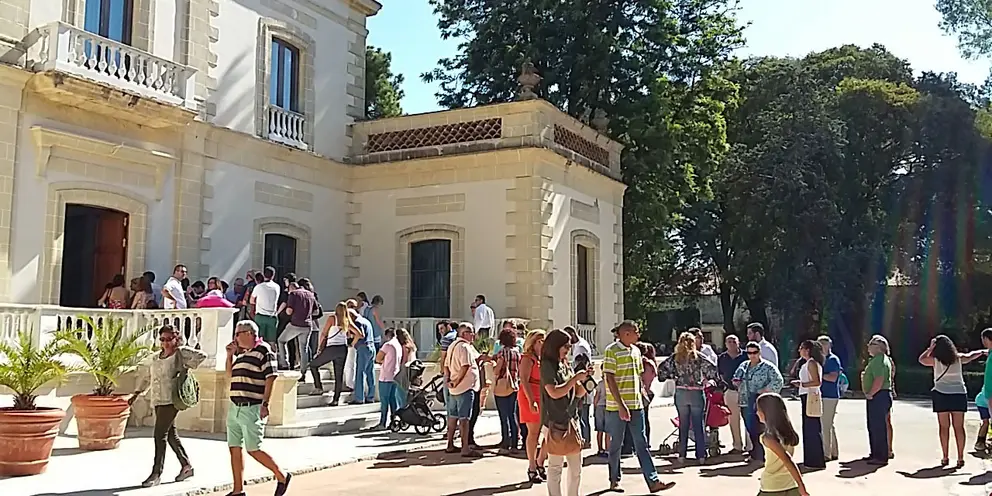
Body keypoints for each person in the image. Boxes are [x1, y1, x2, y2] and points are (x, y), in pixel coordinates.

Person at [603, 321, 675, 492]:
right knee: (616, 444)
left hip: (636, 405)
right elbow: (610, 378)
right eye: (636, 332)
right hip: (617, 407)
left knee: (641, 443)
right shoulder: (611, 351)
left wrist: (643, 394)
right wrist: (621, 405)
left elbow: (638, 376)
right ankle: (614, 479)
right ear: (626, 333)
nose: (639, 335)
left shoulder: (636, 351)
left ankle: (653, 481)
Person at [131, 324, 206, 487]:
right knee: (170, 434)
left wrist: (185, 367)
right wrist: (137, 393)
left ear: (175, 339)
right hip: (158, 399)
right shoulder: (157, 358)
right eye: (163, 339)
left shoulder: (180, 353)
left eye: (169, 339)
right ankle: (186, 465)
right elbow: (148, 377)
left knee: (159, 435)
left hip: (172, 400)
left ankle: (156, 473)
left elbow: (201, 356)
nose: (166, 343)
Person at [224, 320, 291, 496]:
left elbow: (271, 376)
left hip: (251, 407)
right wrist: (230, 355)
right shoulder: (243, 354)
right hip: (235, 407)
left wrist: (265, 404)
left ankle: (282, 475)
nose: (235, 338)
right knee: (234, 447)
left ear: (248, 334)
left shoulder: (264, 351)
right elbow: (230, 374)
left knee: (254, 448)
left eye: (237, 334)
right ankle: (238, 490)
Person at [918, 334, 985, 467]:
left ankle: (945, 457)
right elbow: (971, 355)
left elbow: (921, 359)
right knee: (959, 427)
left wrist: (930, 348)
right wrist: (983, 352)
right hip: (959, 394)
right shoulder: (958, 358)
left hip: (941, 394)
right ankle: (960, 458)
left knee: (944, 427)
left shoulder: (935, 360)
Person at [540, 329, 590, 496]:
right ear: (556, 346)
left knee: (576, 468)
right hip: (555, 420)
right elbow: (553, 392)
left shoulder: (564, 364)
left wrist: (584, 381)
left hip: (571, 418)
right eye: (566, 346)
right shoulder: (548, 365)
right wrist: (575, 379)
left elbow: (577, 392)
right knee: (555, 467)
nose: (569, 349)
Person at [658, 331, 717, 464]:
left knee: (683, 425)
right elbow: (713, 371)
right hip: (696, 392)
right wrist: (705, 380)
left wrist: (673, 376)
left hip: (681, 392)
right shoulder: (699, 357)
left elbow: (661, 372)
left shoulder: (675, 358)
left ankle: (682, 455)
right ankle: (701, 455)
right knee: (698, 424)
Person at [733, 340, 785, 463]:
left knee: (762, 428)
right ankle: (756, 453)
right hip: (745, 402)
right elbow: (736, 377)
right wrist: (736, 382)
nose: (752, 355)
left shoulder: (768, 367)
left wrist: (764, 390)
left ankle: (766, 454)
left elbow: (778, 381)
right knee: (750, 428)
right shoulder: (744, 366)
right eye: (749, 353)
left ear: (759, 352)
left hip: (762, 403)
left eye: (755, 352)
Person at [755, 392, 810, 496]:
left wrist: (801, 485)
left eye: (758, 410)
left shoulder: (768, 437)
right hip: (790, 484)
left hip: (772, 486)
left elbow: (787, 460)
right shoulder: (788, 433)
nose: (757, 413)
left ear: (765, 413)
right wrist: (799, 485)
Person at [444, 322, 484, 458]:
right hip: (465, 387)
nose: (473, 336)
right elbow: (465, 366)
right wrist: (456, 381)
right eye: (471, 333)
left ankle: (450, 444)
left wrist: (449, 381)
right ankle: (465, 447)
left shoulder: (452, 346)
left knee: (453, 416)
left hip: (454, 389)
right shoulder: (464, 347)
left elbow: (446, 366)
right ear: (464, 334)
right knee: (464, 418)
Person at [309, 303, 361, 405]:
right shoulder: (347, 321)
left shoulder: (332, 318)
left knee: (313, 365)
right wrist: (352, 343)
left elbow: (324, 333)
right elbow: (359, 334)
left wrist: (320, 347)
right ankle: (336, 399)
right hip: (343, 348)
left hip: (332, 348)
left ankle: (319, 387)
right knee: (339, 375)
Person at [519, 329, 548, 482]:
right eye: (541, 340)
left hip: (543, 394)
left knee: (549, 432)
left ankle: (540, 461)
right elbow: (524, 379)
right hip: (530, 393)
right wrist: (531, 400)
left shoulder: (543, 359)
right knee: (534, 433)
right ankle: (532, 466)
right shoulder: (527, 358)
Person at [791, 340, 825, 469]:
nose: (799, 350)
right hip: (807, 395)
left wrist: (801, 384)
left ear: (807, 350)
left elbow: (817, 382)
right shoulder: (807, 363)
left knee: (812, 428)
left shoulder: (811, 363)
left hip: (810, 396)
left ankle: (815, 460)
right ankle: (811, 459)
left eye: (801, 348)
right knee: (809, 427)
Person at [861, 334, 893, 466]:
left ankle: (880, 456)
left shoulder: (879, 360)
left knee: (878, 427)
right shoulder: (878, 360)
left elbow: (879, 380)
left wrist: (871, 393)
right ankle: (875, 453)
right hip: (879, 395)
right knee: (874, 426)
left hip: (879, 396)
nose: (868, 347)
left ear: (879, 347)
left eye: (871, 344)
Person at [276, 274, 315, 373]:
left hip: (295, 324)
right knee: (304, 349)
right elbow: (316, 311)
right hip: (308, 325)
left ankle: (285, 364)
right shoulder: (310, 294)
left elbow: (289, 311)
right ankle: (303, 372)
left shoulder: (293, 294)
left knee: (281, 340)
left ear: (291, 288)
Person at [718, 334, 749, 454]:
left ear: (738, 343)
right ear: (725, 344)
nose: (731, 343)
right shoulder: (722, 358)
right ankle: (737, 446)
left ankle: (750, 446)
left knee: (748, 419)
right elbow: (719, 373)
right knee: (733, 420)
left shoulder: (746, 355)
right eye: (729, 341)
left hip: (745, 391)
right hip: (730, 391)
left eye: (734, 341)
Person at [493, 327, 522, 454]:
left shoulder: (502, 353)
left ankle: (506, 442)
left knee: (503, 416)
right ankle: (515, 443)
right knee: (512, 415)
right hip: (514, 386)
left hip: (503, 385)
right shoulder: (517, 352)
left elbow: (497, 370)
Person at [816, 335, 842, 461]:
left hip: (830, 396)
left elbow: (833, 377)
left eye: (824, 344)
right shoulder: (819, 359)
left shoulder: (833, 360)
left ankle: (826, 453)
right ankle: (834, 451)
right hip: (821, 394)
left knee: (825, 424)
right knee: (829, 424)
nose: (821, 347)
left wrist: (819, 376)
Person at [375, 328, 403, 429]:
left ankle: (382, 423)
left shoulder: (387, 345)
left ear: (387, 335)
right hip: (395, 375)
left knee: (384, 400)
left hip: (386, 376)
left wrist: (384, 361)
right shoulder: (398, 345)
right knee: (393, 400)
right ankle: (394, 421)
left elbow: (378, 358)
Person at [350, 307, 376, 404]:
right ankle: (370, 396)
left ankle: (359, 398)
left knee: (360, 373)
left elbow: (360, 335)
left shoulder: (357, 322)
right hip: (371, 347)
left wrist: (352, 343)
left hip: (363, 348)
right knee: (370, 373)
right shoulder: (366, 320)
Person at [250, 267, 281, 344]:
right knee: (272, 341)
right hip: (272, 316)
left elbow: (251, 300)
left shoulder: (259, 287)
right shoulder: (277, 287)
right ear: (273, 275)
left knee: (259, 340)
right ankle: (273, 355)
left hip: (261, 316)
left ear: (264, 275)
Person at [394, 328, 418, 407]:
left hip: (404, 371)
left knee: (400, 394)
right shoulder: (412, 346)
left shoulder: (405, 347)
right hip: (412, 370)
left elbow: (404, 360)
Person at [593, 369, 610, 457]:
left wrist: (595, 406)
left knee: (599, 430)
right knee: (608, 430)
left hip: (600, 406)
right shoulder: (611, 383)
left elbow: (597, 396)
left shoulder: (600, 384)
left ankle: (600, 449)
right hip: (609, 406)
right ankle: (607, 449)